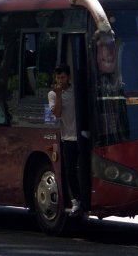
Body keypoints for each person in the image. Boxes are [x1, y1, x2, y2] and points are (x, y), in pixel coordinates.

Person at [48, 64, 81, 216]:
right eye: (58, 77)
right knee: (70, 170)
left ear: (68, 77)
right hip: (68, 137)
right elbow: (57, 114)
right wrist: (59, 94)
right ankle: (75, 201)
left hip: (81, 135)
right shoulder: (53, 94)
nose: (60, 80)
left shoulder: (76, 89)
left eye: (63, 77)